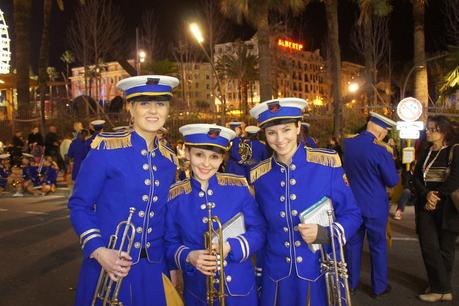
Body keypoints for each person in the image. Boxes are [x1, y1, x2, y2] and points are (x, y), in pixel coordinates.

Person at [68, 75, 183, 306]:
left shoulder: (168, 160)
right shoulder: (106, 148)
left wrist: (171, 266)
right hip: (108, 265)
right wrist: (99, 251)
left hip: (153, 268)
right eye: (144, 104)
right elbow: (79, 205)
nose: (153, 111)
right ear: (130, 108)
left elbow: (166, 219)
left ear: (168, 109)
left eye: (160, 104)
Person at [249, 98, 361, 306]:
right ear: (264, 134)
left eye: (286, 130)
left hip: (318, 272)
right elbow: (259, 227)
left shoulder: (326, 164)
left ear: (298, 127)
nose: (280, 139)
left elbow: (353, 214)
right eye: (272, 132)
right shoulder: (259, 175)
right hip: (276, 276)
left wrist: (326, 233)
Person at [165, 123, 266, 306]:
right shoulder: (175, 196)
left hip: (240, 292)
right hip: (198, 292)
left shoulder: (238, 188)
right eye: (199, 155)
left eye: (214, 157)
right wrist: (189, 256)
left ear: (222, 159)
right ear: (187, 154)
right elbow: (170, 242)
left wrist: (232, 246)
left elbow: (258, 231)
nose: (206, 163)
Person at [343, 112, 399, 298]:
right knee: (378, 246)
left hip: (352, 205)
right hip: (375, 206)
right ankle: (379, 287)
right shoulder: (381, 150)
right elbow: (392, 180)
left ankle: (351, 283)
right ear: (382, 132)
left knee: (352, 245)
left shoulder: (348, 144)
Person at [413, 115, 459, 302]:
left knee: (446, 249)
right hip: (426, 204)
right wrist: (427, 195)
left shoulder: (455, 151)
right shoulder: (426, 151)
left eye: (433, 129)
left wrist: (436, 196)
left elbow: (455, 179)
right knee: (429, 246)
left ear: (444, 131)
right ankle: (442, 287)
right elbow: (416, 177)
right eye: (428, 129)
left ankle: (440, 287)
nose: (428, 132)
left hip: (448, 206)